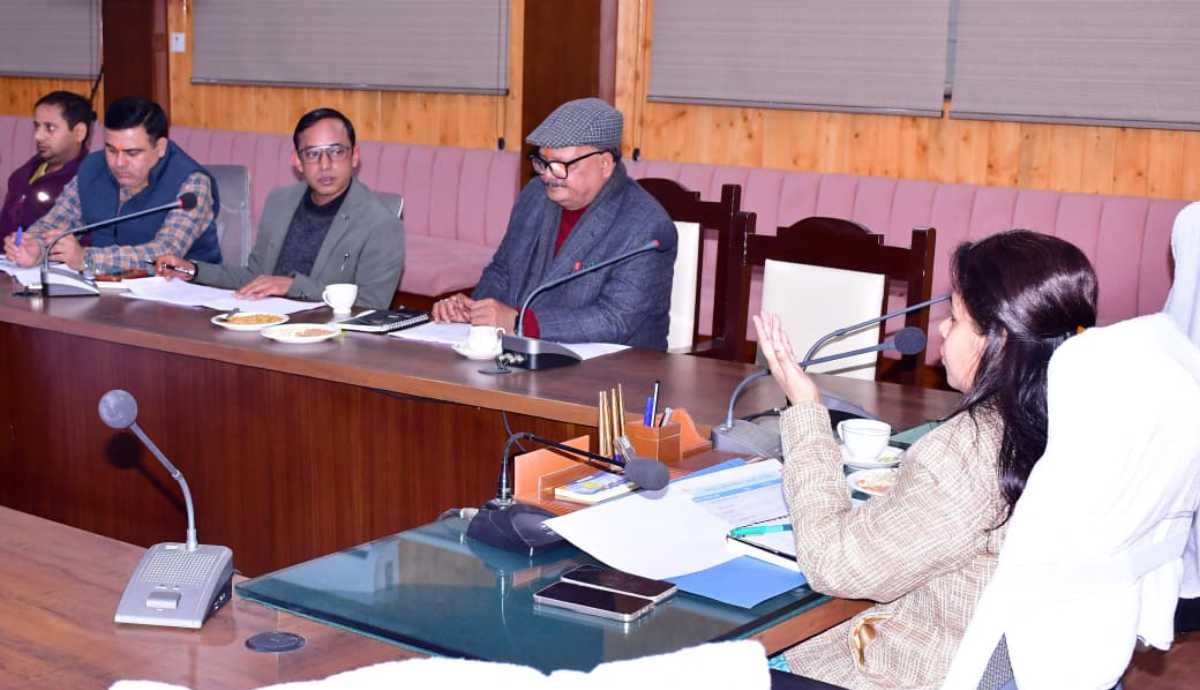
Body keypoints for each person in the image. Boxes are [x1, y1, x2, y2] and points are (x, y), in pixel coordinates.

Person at [755, 230, 1098, 689]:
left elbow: (832, 564)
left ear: (996, 339)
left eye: (955, 319)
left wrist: (804, 408)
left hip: (910, 673)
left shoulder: (968, 453)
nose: (941, 329)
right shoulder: (1085, 420)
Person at [430, 98, 676, 350]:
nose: (548, 175)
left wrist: (519, 322)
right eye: (543, 163)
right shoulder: (535, 195)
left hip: (617, 366)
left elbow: (614, 319)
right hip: (527, 351)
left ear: (604, 164)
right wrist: (476, 310)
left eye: (562, 165)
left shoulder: (646, 226)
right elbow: (503, 270)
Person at [154, 108, 404, 309]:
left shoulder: (381, 223)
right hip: (266, 324)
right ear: (297, 161)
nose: (325, 165)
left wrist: (291, 286)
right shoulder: (281, 202)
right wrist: (193, 269)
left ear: (355, 156)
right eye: (313, 154)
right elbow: (254, 277)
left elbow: (371, 305)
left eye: (336, 151)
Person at [3, 96, 220, 273]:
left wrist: (86, 258)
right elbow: (56, 222)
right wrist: (35, 247)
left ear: (160, 147)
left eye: (132, 153)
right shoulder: (93, 167)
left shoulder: (192, 183)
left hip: (182, 295)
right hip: (108, 290)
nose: (119, 163)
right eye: (111, 150)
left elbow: (166, 253)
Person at [0, 91, 95, 239]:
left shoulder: (89, 181)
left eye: (50, 128)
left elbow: (88, 243)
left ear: (79, 133)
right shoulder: (22, 175)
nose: (38, 136)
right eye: (37, 126)